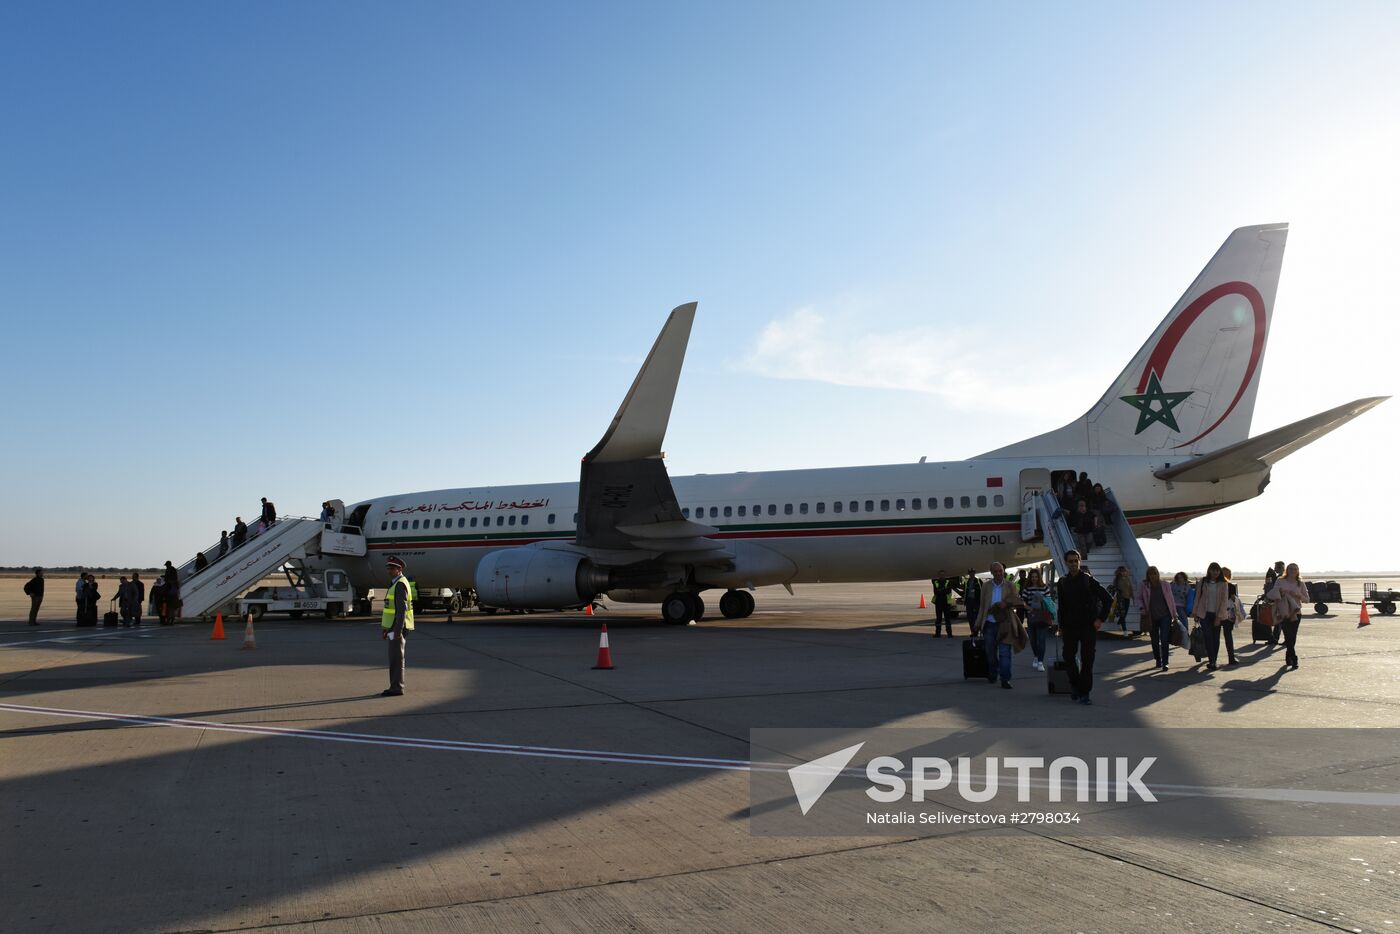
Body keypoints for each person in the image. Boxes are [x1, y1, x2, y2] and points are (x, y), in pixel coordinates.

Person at [1054, 550, 1111, 705]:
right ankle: (1075, 685)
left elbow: (1108, 599)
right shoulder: (1063, 582)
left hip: (1087, 627)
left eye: (1075, 561)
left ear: (1079, 562)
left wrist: (1100, 619)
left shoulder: (1088, 580)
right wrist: (1061, 626)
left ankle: (1084, 693)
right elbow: (1062, 607)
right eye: (1070, 561)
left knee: (1087, 661)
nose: (1073, 564)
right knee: (1068, 657)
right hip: (1070, 627)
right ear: (1066, 563)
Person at [972, 562, 1025, 688]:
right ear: (991, 573)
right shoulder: (986, 586)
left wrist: (1006, 604)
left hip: (1004, 624)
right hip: (989, 623)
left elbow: (1017, 601)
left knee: (1004, 653)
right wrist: (978, 624)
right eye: (995, 571)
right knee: (990, 653)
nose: (998, 573)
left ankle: (1005, 679)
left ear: (1003, 571)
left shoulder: (1010, 585)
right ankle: (992, 673)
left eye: (1000, 571)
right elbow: (982, 606)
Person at [381, 556, 414, 696]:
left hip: (398, 627)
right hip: (393, 627)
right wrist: (386, 629)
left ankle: (397, 687)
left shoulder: (400, 584)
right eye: (388, 568)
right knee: (394, 657)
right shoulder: (395, 583)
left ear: (399, 569)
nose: (389, 571)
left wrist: (397, 630)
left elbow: (402, 610)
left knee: (396, 658)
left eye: (392, 568)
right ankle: (394, 686)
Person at [1266, 563, 1307, 670]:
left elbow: (1307, 599)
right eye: (1291, 569)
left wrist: (1297, 595)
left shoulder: (1300, 583)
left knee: (1292, 637)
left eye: (1295, 569)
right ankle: (1294, 658)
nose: (1293, 570)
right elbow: (1273, 594)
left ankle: (1288, 655)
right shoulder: (1280, 580)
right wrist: (1280, 592)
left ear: (1298, 570)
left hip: (1296, 613)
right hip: (1283, 612)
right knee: (1288, 636)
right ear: (1287, 570)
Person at [1138, 566, 1178, 671]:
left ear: (1158, 574)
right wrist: (1142, 608)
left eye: (1155, 573)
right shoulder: (1145, 585)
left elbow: (1171, 600)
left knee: (1164, 639)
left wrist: (1174, 615)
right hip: (1151, 617)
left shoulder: (1165, 585)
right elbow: (1139, 598)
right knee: (1154, 640)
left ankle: (1165, 662)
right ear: (1148, 575)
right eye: (1151, 574)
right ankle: (1158, 659)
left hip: (1165, 616)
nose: (1153, 576)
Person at [1191, 562, 1228, 670]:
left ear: (1219, 571)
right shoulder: (1203, 581)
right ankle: (1212, 660)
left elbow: (1224, 601)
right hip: (1204, 614)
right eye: (1213, 570)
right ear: (1209, 570)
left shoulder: (1223, 583)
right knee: (1208, 637)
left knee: (1215, 638)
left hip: (1217, 614)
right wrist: (1195, 612)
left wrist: (1219, 617)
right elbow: (1197, 597)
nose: (1215, 572)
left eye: (1217, 570)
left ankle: (1213, 661)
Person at [1021, 568, 1052, 672]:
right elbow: (1023, 602)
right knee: (1033, 640)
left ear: (1039, 577)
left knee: (1041, 640)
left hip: (1042, 617)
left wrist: (1042, 601)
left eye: (1036, 577)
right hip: (1032, 617)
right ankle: (1036, 656)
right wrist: (1029, 609)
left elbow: (1049, 602)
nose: (1034, 579)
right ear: (1030, 577)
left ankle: (1040, 662)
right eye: (1032, 577)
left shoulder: (1045, 588)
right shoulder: (1027, 589)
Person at [1220, 566, 1242, 667]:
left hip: (1228, 615)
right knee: (1219, 637)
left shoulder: (1231, 586)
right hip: (1221, 613)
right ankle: (1214, 657)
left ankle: (1231, 657)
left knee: (1227, 636)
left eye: (1226, 574)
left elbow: (1234, 600)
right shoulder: (1230, 586)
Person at [1111, 566, 1133, 636]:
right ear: (1119, 572)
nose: (1124, 573)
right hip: (1120, 599)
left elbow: (1130, 588)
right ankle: (1125, 631)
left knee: (1124, 614)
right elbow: (1113, 588)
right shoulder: (1117, 579)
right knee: (1123, 615)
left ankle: (1120, 621)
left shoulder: (1127, 579)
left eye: (1125, 571)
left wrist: (1132, 596)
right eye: (1122, 571)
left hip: (1127, 598)